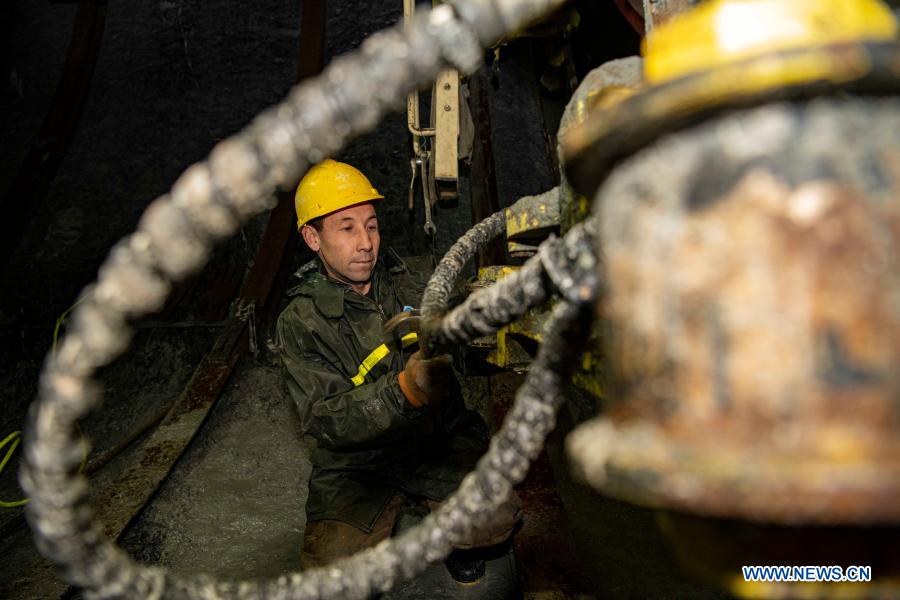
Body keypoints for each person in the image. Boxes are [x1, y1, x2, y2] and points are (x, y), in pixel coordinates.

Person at [275, 159, 521, 582]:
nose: (366, 242)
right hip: (358, 464)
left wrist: (492, 330)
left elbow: (466, 355)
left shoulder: (412, 283)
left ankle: (448, 536)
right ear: (312, 237)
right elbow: (325, 420)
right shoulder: (300, 321)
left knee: (497, 517)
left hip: (436, 440)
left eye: (371, 225)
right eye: (346, 228)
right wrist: (405, 388)